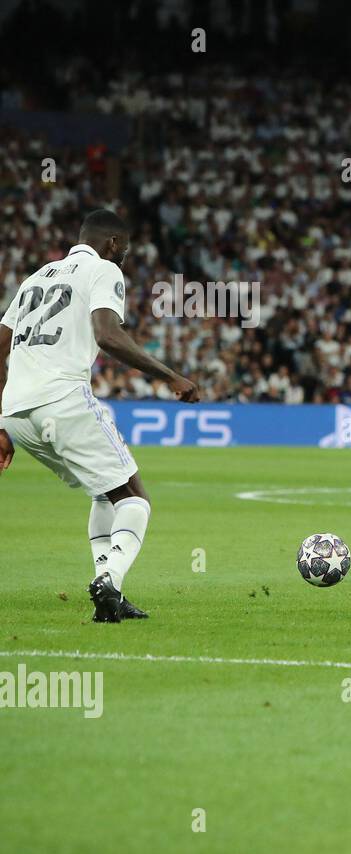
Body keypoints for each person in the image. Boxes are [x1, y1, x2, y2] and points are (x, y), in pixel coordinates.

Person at [0, 209, 200, 622]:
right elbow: (108, 335)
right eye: (123, 251)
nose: (122, 258)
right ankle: (109, 579)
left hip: (18, 412)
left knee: (104, 492)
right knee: (135, 498)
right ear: (111, 244)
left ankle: (110, 591)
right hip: (63, 399)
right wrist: (170, 376)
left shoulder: (35, 279)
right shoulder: (102, 270)